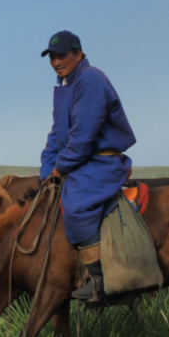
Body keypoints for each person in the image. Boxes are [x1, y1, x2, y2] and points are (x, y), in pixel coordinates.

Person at [38, 31, 136, 303]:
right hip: (83, 159)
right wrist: (46, 171)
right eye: (52, 57)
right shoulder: (65, 85)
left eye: (62, 55)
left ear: (78, 54)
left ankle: (102, 278)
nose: (57, 62)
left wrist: (60, 169)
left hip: (101, 161)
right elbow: (57, 134)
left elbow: (82, 137)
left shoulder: (91, 79)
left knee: (77, 203)